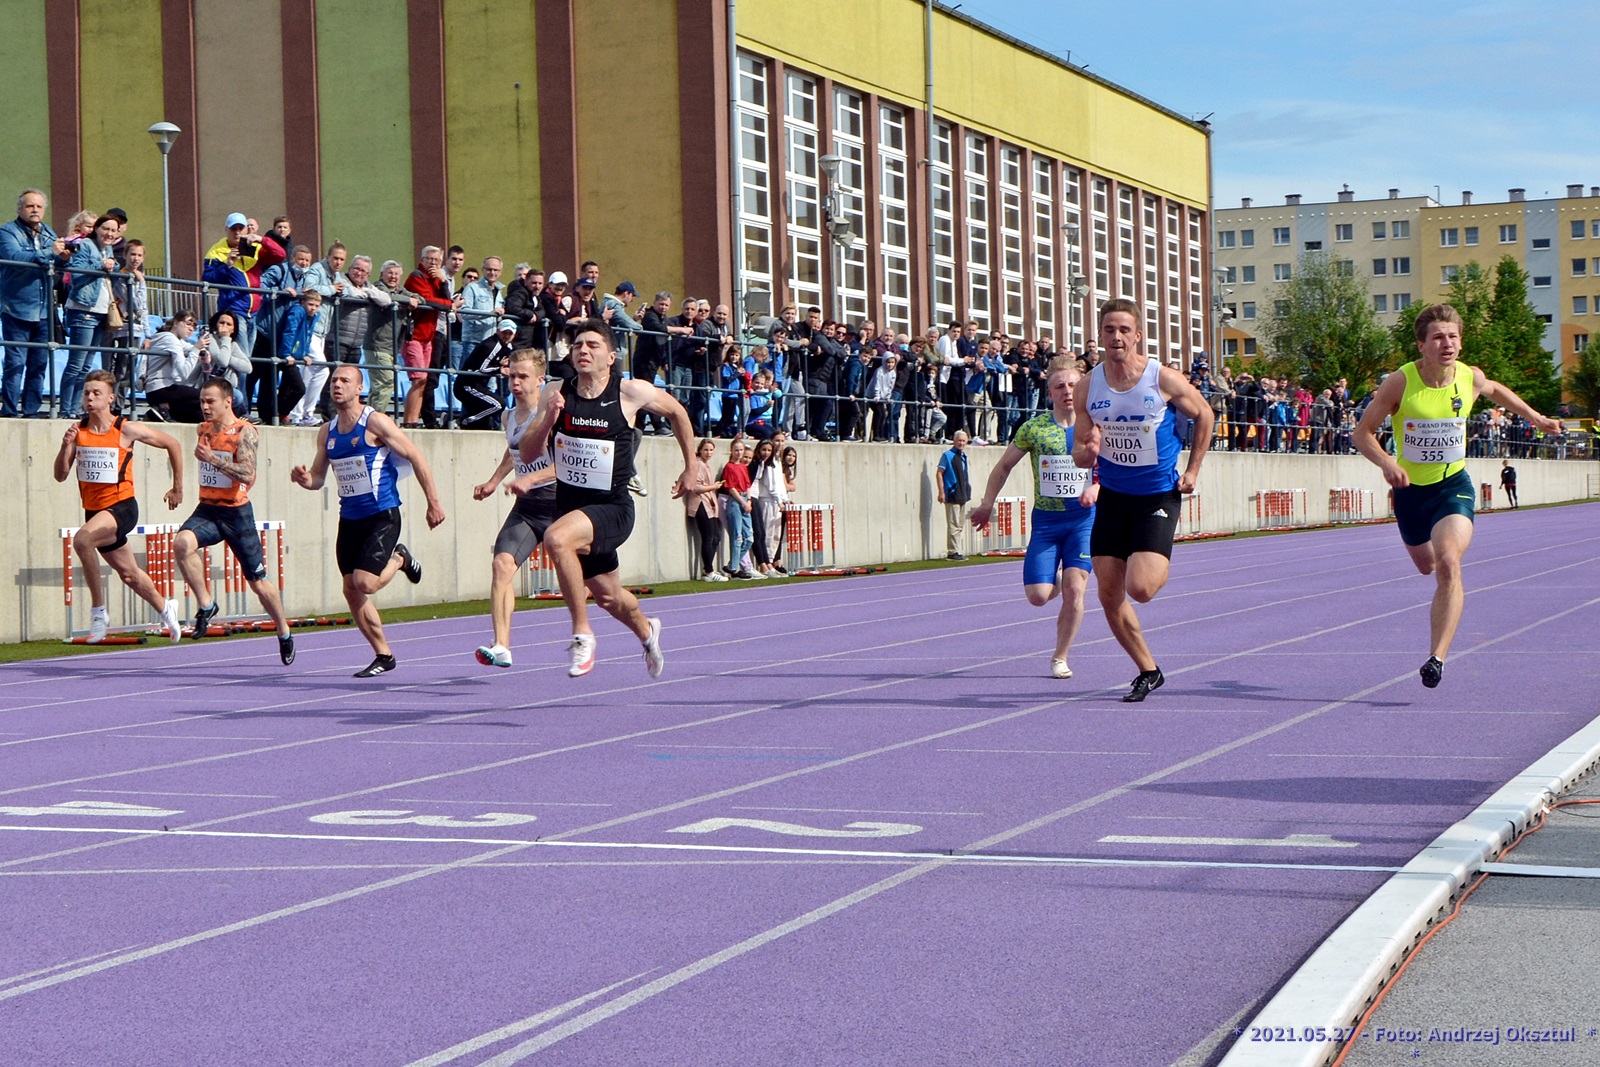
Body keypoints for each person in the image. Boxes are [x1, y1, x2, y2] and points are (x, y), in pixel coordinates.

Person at [1353, 304, 1559, 688]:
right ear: (1422, 345)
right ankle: (1437, 621)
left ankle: (1437, 657)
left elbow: (1497, 390)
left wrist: (1537, 418)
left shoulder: (1468, 377)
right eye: (1438, 337)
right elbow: (1362, 433)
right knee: (1427, 566)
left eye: (1453, 336)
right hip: (1410, 492)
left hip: (1453, 487)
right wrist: (1386, 463)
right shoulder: (1400, 382)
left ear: (1460, 342)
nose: (1447, 344)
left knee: (1448, 563)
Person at [516, 320, 694, 676]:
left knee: (556, 538)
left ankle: (582, 635)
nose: (583, 350)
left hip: (613, 508)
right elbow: (528, 450)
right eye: (578, 344)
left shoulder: (630, 392)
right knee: (610, 597)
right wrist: (549, 419)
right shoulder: (556, 391)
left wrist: (690, 467)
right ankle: (647, 632)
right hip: (571, 508)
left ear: (611, 356)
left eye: (593, 345)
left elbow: (677, 413)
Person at [1073, 298, 1213, 702]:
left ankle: (1155, 555)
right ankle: (1148, 670)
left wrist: (1192, 470)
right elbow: (1082, 452)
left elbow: (1204, 414)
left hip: (1157, 496)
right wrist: (1089, 450)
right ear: (1100, 336)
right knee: (1108, 594)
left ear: (1137, 336)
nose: (1115, 337)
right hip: (1114, 498)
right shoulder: (1088, 385)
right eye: (1108, 330)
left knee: (1141, 589)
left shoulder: (1161, 379)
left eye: (1123, 330)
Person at [290, 364, 446, 676]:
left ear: (359, 388)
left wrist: (434, 503)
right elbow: (319, 478)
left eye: (345, 380)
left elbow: (416, 455)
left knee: (365, 582)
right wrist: (304, 479)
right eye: (334, 379)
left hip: (381, 515)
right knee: (351, 589)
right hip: (349, 519)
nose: (337, 385)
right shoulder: (327, 431)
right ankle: (384, 654)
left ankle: (400, 558)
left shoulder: (374, 422)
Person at [972, 357, 1099, 679]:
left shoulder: (1098, 426)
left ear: (1083, 388)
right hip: (1046, 521)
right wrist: (988, 503)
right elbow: (1003, 467)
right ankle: (1053, 580)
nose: (1067, 391)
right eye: (1060, 387)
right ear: (1050, 393)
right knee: (1038, 596)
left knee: (1075, 590)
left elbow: (1117, 470)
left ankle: (1060, 655)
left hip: (1083, 520)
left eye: (1073, 385)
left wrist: (1098, 488)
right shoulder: (1034, 428)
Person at [52, 370, 184, 643]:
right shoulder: (79, 431)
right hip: (95, 512)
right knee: (130, 574)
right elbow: (60, 475)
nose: (90, 397)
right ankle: (166, 608)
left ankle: (98, 612)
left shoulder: (125, 429)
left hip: (122, 507)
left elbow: (173, 444)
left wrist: (177, 486)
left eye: (96, 393)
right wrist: (66, 447)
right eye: (86, 392)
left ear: (110, 398)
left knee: (82, 540)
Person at [172, 377, 295, 663]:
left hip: (236, 512)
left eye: (210, 401)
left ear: (228, 401)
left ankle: (283, 630)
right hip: (207, 509)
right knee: (181, 544)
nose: (204, 407)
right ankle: (207, 604)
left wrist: (213, 460)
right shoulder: (202, 429)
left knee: (258, 582)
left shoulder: (245, 431)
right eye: (202, 401)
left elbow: (248, 474)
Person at [471, 348, 557, 667]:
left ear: (540, 381)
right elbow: (514, 451)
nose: (516, 382)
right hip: (528, 508)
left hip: (561, 506)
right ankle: (502, 644)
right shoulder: (508, 416)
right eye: (511, 377)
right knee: (501, 566)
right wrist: (494, 481)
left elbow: (570, 465)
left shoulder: (552, 415)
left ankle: (643, 630)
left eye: (523, 377)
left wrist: (532, 478)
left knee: (602, 589)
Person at [1, 189, 68, 418]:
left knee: (39, 365)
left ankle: (31, 411)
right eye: (30, 206)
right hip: (17, 307)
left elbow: (57, 265)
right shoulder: (7, 231)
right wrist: (49, 252)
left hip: (44, 310)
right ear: (20, 208)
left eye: (39, 207)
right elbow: (15, 257)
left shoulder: (49, 232)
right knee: (15, 363)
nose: (35, 210)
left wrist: (64, 257)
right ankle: (9, 411)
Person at [142, 309, 211, 423]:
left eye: (194, 326)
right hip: (160, 389)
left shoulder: (172, 338)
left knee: (198, 410)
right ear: (175, 322)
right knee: (205, 396)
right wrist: (196, 350)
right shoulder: (169, 339)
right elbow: (184, 373)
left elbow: (188, 347)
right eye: (188, 323)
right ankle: (163, 408)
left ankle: (164, 411)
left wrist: (202, 351)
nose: (191, 329)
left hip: (160, 389)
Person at [681, 438, 726, 581]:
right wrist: (713, 487)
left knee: (715, 537)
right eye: (706, 449)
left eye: (711, 450)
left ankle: (709, 568)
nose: (708, 453)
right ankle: (708, 571)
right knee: (708, 536)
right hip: (701, 502)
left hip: (709, 501)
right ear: (700, 450)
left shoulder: (706, 465)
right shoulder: (698, 464)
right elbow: (696, 487)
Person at [936, 430, 972, 560]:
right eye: (959, 440)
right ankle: (952, 551)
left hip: (962, 493)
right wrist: (941, 492)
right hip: (952, 493)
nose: (961, 443)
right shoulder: (948, 455)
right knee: (953, 524)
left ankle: (956, 549)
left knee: (960, 525)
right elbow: (939, 473)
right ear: (954, 441)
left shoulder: (963, 456)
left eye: (963, 440)